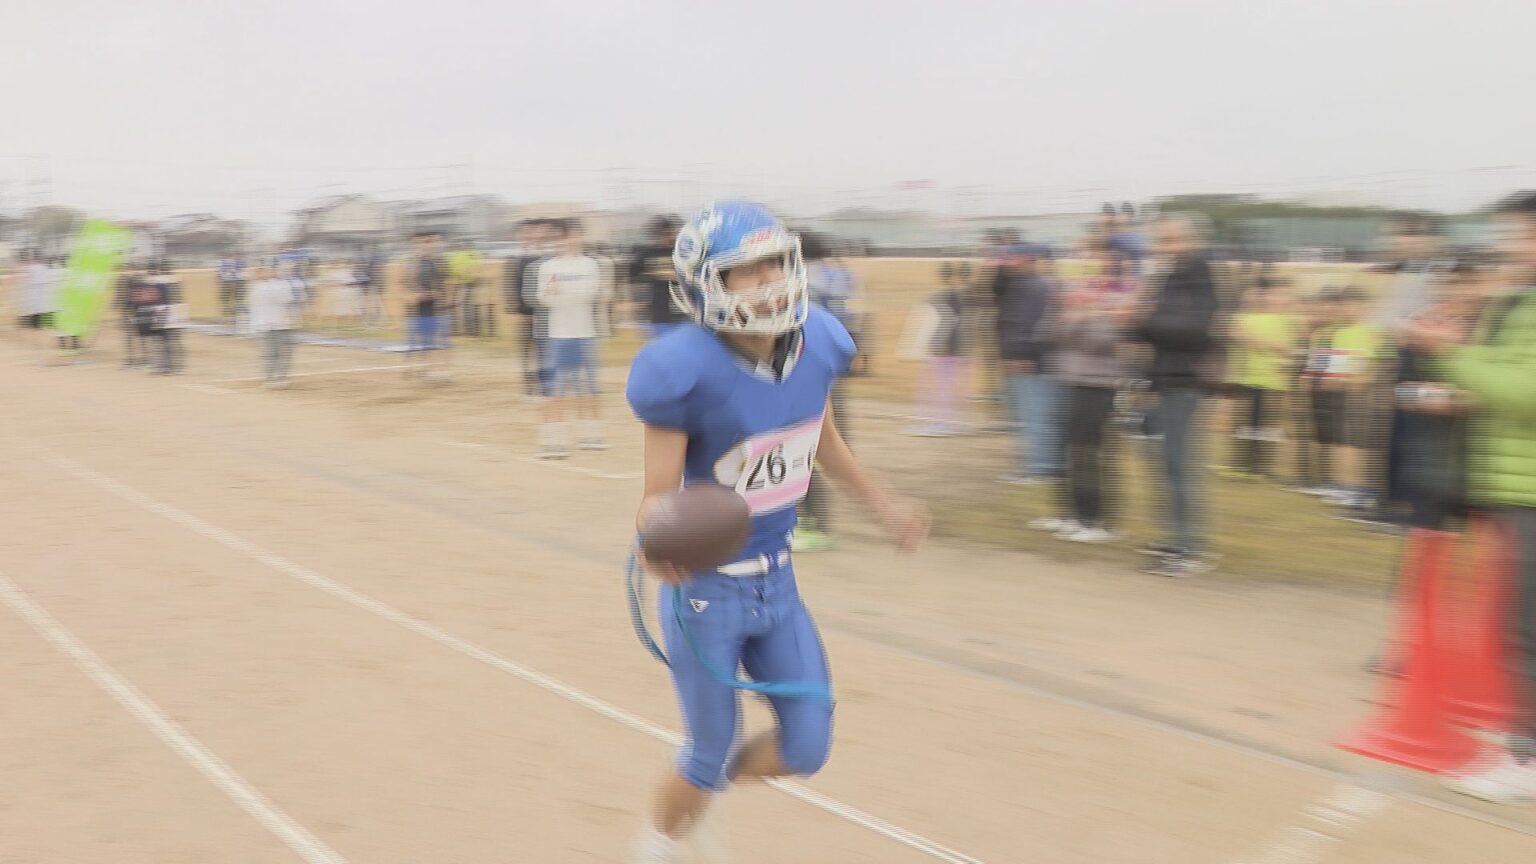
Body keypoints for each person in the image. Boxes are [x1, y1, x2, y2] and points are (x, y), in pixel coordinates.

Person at [624, 201, 930, 864]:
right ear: (707, 285)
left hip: (778, 580)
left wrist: (882, 503)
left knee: (807, 747)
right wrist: (657, 541)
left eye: (775, 263)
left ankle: (694, 791)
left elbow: (817, 435)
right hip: (706, 589)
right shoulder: (681, 369)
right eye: (746, 270)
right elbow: (657, 496)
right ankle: (659, 840)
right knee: (706, 752)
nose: (769, 281)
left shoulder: (816, 341)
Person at [1411, 191, 1536, 803]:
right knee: (1520, 623)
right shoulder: (1520, 302)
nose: (1512, 248)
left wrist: (1450, 354)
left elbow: (1527, 392)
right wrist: (1456, 349)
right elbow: (1504, 369)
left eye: (1524, 236)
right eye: (1512, 235)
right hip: (1516, 487)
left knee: (1529, 627)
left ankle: (1528, 758)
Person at [1129, 213, 1220, 577]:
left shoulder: (1200, 276)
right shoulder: (1167, 277)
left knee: (1179, 467)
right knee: (1164, 465)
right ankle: (1173, 538)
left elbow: (1193, 330)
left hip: (1184, 383)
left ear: (1191, 241)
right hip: (1161, 380)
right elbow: (1153, 331)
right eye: (1161, 241)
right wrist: (1135, 321)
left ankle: (1189, 549)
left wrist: (1144, 319)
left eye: (1172, 240)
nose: (1165, 248)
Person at [1033, 255, 1131, 543]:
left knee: (1090, 454)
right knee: (1068, 451)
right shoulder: (1072, 295)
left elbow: (1105, 340)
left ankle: (1096, 521)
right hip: (1069, 380)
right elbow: (1046, 333)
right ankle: (1072, 515)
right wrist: (1071, 316)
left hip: (1099, 384)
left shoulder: (1119, 296)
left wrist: (1087, 317)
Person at [533, 219, 607, 456]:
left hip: (585, 333)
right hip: (558, 335)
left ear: (579, 237)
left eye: (572, 236)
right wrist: (554, 292)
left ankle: (591, 434)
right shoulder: (547, 267)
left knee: (588, 385)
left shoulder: (590, 265)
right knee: (556, 388)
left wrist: (561, 291)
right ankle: (554, 439)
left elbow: (591, 293)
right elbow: (544, 298)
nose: (567, 242)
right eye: (562, 238)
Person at [995, 243, 1062, 484]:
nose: (1009, 268)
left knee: (1037, 416)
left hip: (1032, 363)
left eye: (1015, 262)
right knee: (1032, 416)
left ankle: (1043, 467)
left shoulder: (1036, 287)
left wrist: (1022, 356)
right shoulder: (1021, 286)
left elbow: (1032, 327)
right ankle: (1040, 465)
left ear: (1030, 261)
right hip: (1026, 361)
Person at [1224, 278, 1299, 479]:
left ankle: (1261, 466)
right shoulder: (1240, 317)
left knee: (1265, 425)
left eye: (1262, 294)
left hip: (1273, 380)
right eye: (1251, 294)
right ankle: (1240, 464)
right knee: (1243, 424)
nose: (1257, 298)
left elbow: (1287, 348)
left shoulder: (1284, 319)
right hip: (1245, 377)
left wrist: (1254, 340)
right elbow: (1231, 335)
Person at [507, 220, 555, 398]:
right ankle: (528, 386)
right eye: (525, 232)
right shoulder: (517, 259)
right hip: (524, 314)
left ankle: (546, 386)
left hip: (545, 313)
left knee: (545, 350)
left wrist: (543, 311)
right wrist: (517, 311)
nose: (531, 236)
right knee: (527, 351)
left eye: (534, 232)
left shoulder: (549, 258)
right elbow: (512, 286)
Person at [406, 231, 452, 381]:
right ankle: (426, 368)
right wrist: (415, 295)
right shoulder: (413, 264)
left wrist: (435, 293)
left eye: (428, 242)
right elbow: (408, 284)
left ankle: (444, 369)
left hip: (438, 306)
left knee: (442, 338)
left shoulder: (439, 262)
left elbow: (446, 282)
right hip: (420, 306)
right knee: (425, 338)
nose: (424, 246)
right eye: (420, 243)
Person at [630, 215, 685, 339]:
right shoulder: (647, 255)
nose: (667, 237)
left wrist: (678, 277)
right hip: (658, 314)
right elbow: (634, 280)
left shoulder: (681, 253)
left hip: (682, 312)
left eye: (670, 233)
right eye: (663, 234)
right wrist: (637, 304)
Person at [248, 262, 301, 388]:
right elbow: (286, 299)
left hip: (267, 324)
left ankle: (271, 378)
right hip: (279, 323)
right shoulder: (278, 285)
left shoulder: (257, 287)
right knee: (281, 353)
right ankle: (278, 378)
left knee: (270, 353)